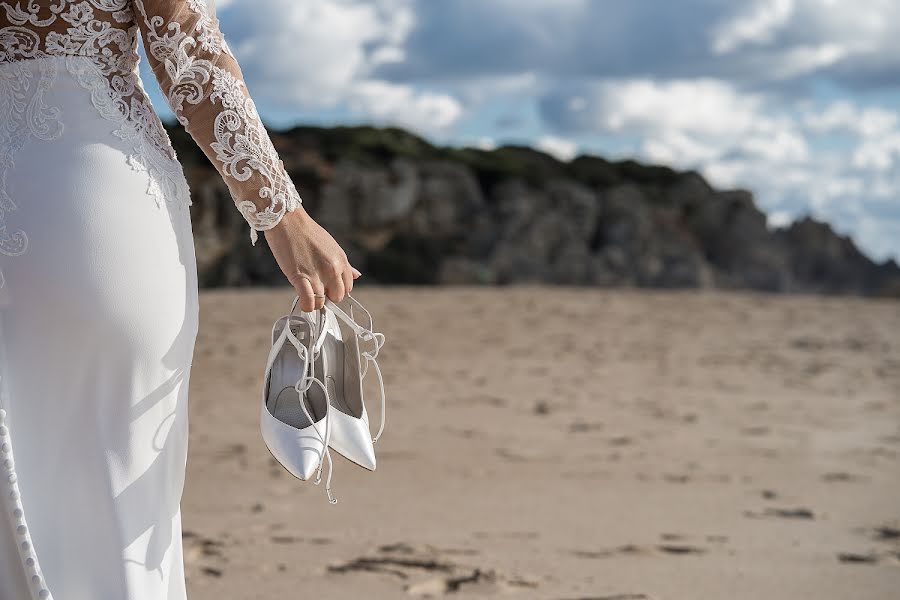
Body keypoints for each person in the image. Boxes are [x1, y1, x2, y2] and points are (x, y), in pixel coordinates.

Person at [0, 1, 357, 598]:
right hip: (83, 198)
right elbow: (188, 55)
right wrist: (280, 212)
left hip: (62, 203)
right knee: (114, 489)